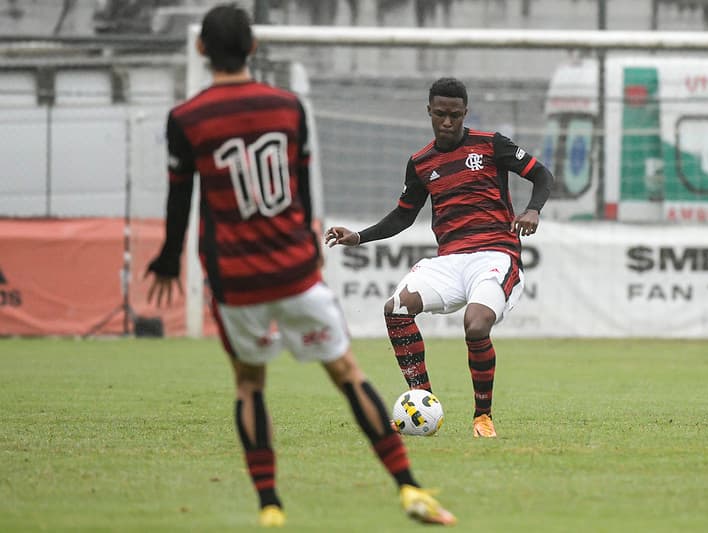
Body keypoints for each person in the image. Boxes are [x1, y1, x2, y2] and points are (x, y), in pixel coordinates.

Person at [144, 4, 455, 528]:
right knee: (346, 373)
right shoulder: (289, 108)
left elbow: (181, 201)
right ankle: (410, 491)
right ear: (254, 48)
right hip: (292, 268)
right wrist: (309, 253)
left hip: (235, 278)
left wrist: (170, 260)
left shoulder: (185, 119)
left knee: (249, 385)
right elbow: (305, 196)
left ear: (201, 50)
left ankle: (269, 506)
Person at [326, 77, 554, 439]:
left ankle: (483, 418)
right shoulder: (420, 163)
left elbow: (542, 175)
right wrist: (358, 236)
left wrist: (533, 210)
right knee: (396, 309)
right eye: (440, 114)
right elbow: (403, 216)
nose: (447, 122)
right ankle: (422, 399)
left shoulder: (492, 145)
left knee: (476, 325)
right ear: (429, 112)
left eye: (454, 115)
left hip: (495, 253)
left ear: (465, 112)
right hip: (448, 261)